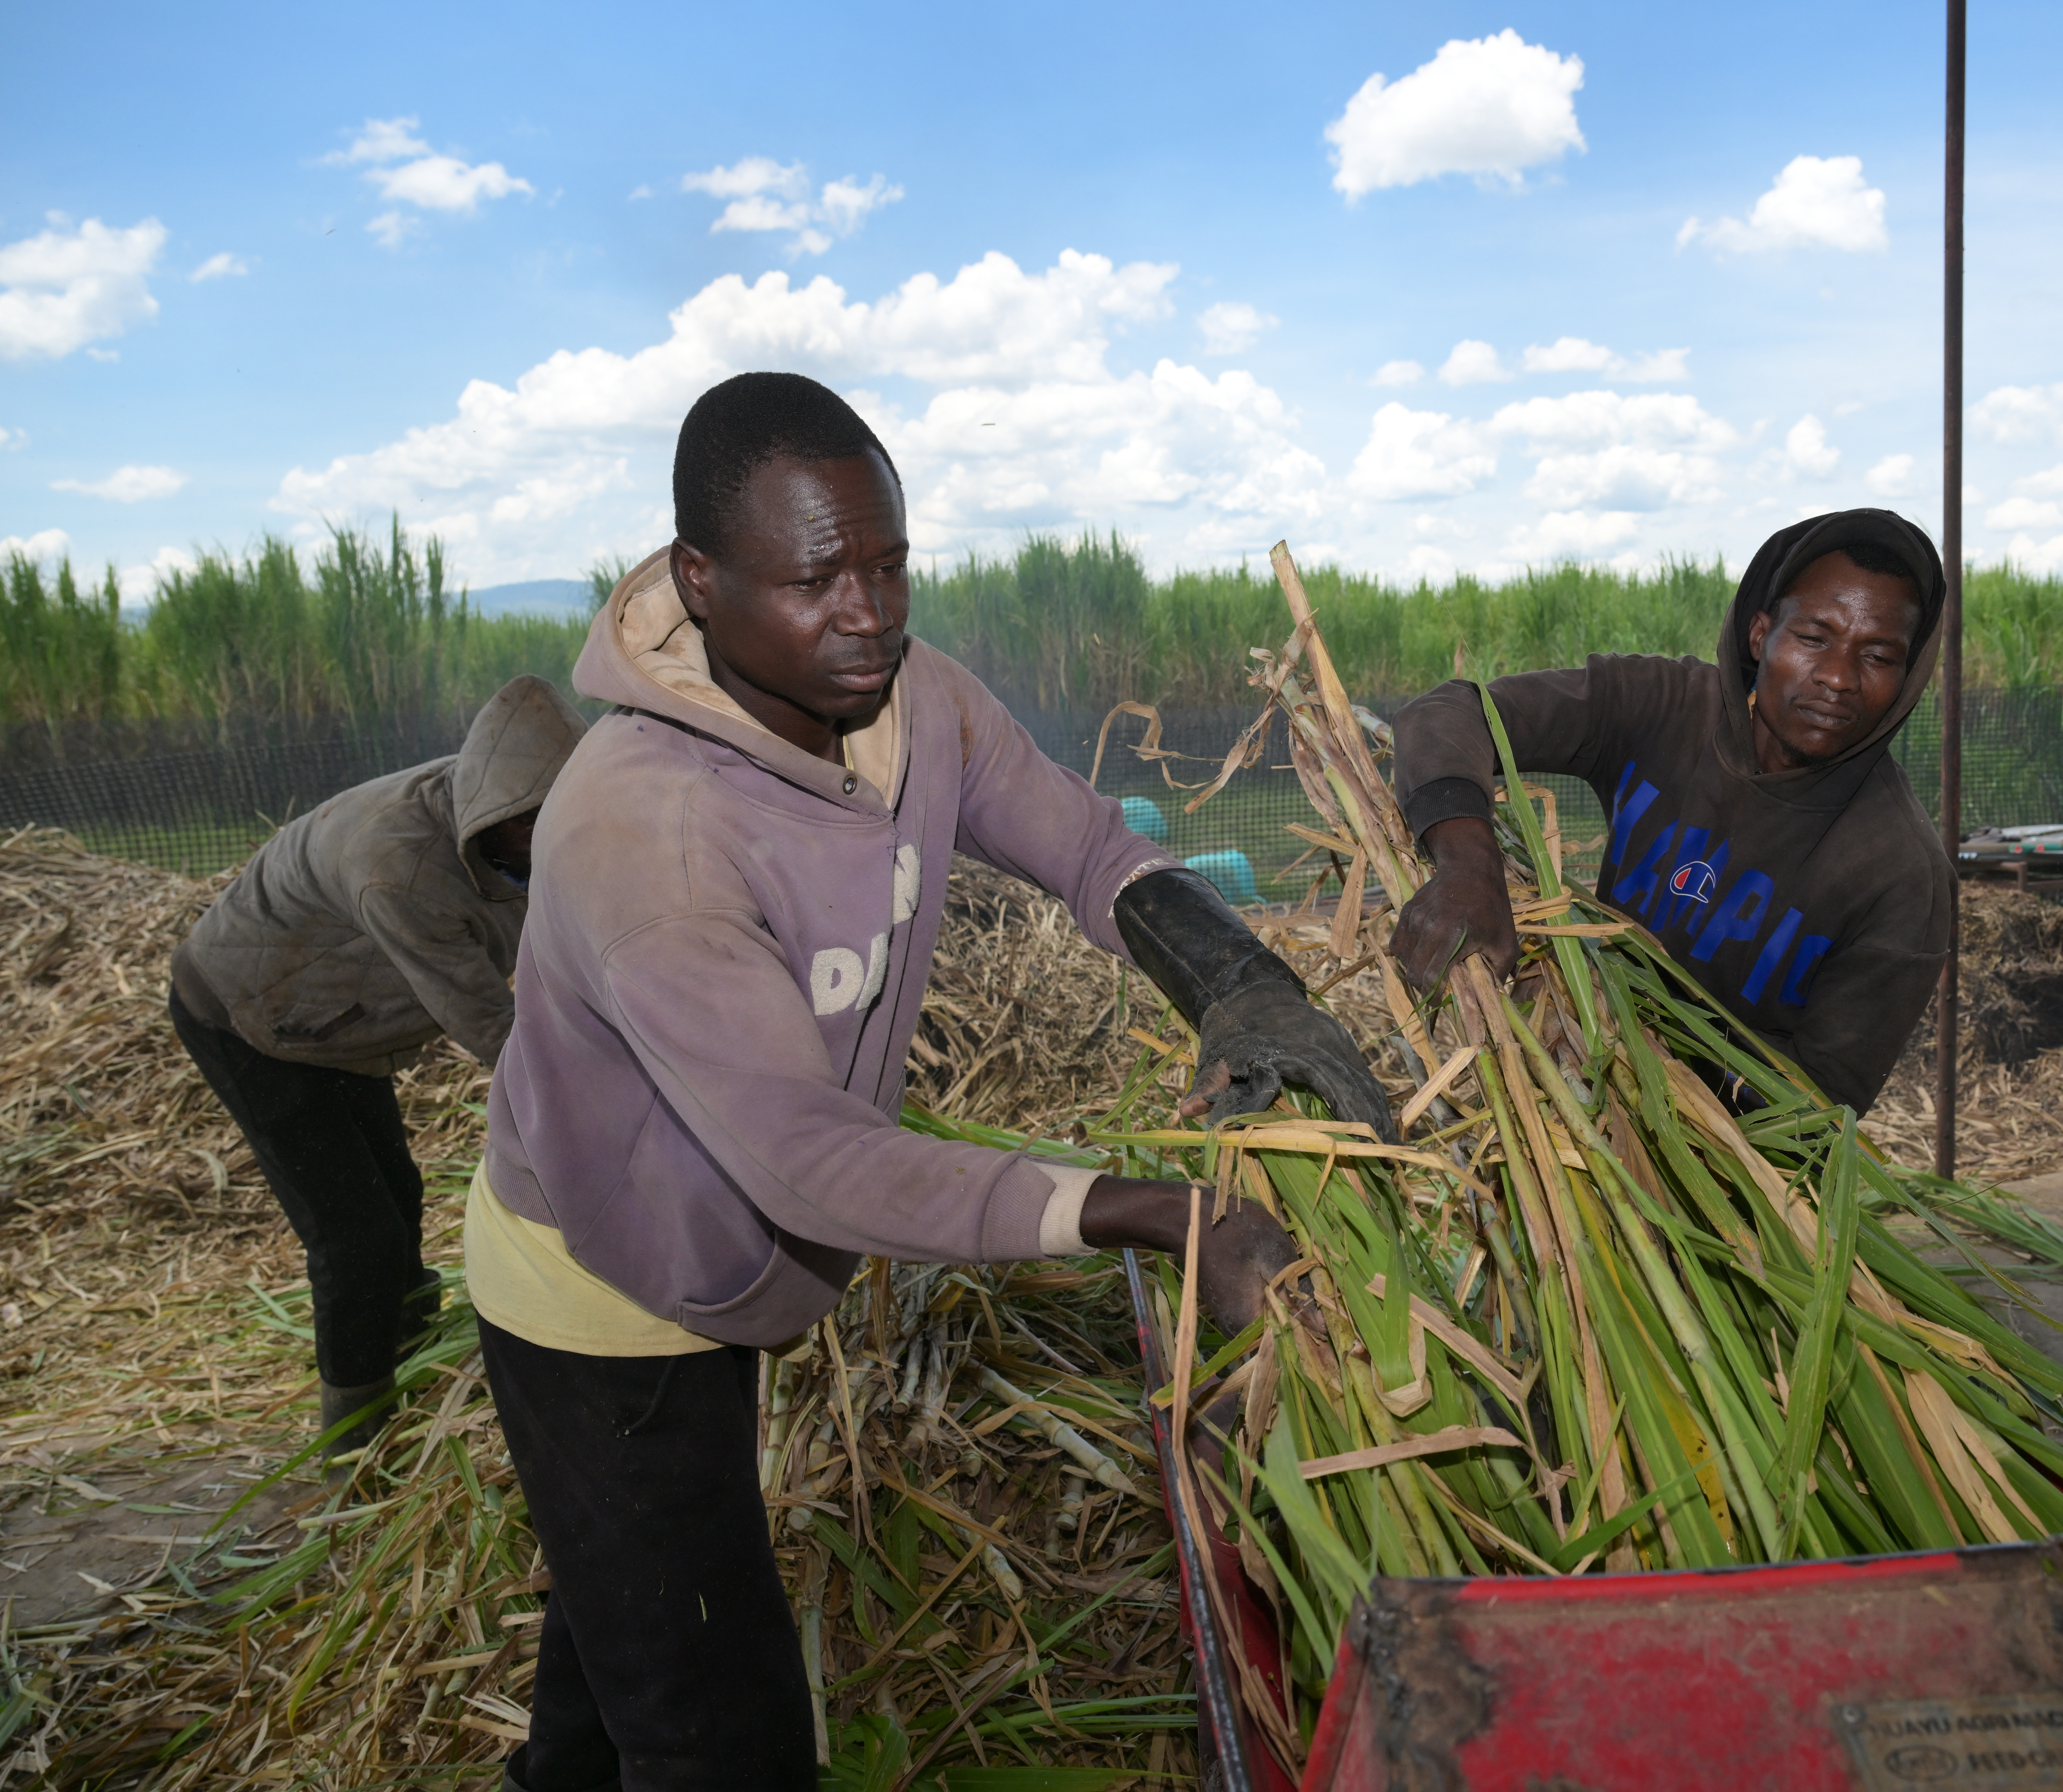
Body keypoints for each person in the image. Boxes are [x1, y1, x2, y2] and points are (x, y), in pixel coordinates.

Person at [470, 371, 1390, 1792]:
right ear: (701, 583)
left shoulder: (915, 702)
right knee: (724, 1737)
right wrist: (1157, 1211)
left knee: (634, 1624)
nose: (871, 611)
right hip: (605, 1289)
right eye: (821, 577)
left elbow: (1091, 850)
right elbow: (810, 1159)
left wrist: (1238, 979)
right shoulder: (648, 835)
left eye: (891, 564)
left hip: (717, 1253)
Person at [1388, 509, 1952, 1114]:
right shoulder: (1665, 709)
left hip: (1710, 1176)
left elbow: (1819, 1105)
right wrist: (1471, 871)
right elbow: (1447, 714)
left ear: (1910, 677)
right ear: (1761, 635)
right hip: (1569, 1092)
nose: (1839, 678)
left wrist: (1641, 1067)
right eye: (1814, 638)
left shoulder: (1901, 875)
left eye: (1878, 657)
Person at [167, 674, 587, 1467]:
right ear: (506, 815)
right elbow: (493, 1027)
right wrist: (591, 1121)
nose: (573, 832)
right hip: (251, 1015)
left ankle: (413, 1358)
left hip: (337, 1015)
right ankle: (351, 1447)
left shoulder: (513, 807)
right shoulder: (400, 869)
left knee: (398, 1194)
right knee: (355, 1236)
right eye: (550, 823)